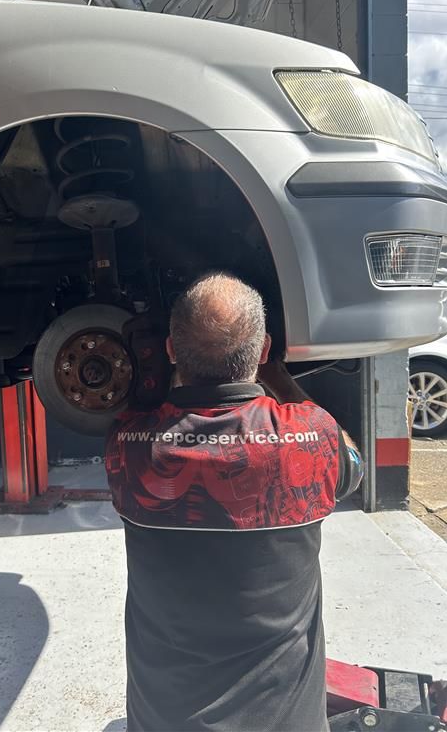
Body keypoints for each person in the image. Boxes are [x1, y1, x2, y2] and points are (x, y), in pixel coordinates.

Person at [105, 272, 363, 732]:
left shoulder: (129, 448)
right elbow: (354, 465)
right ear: (263, 350)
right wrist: (280, 377)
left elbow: (143, 412)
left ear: (169, 350)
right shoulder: (310, 438)